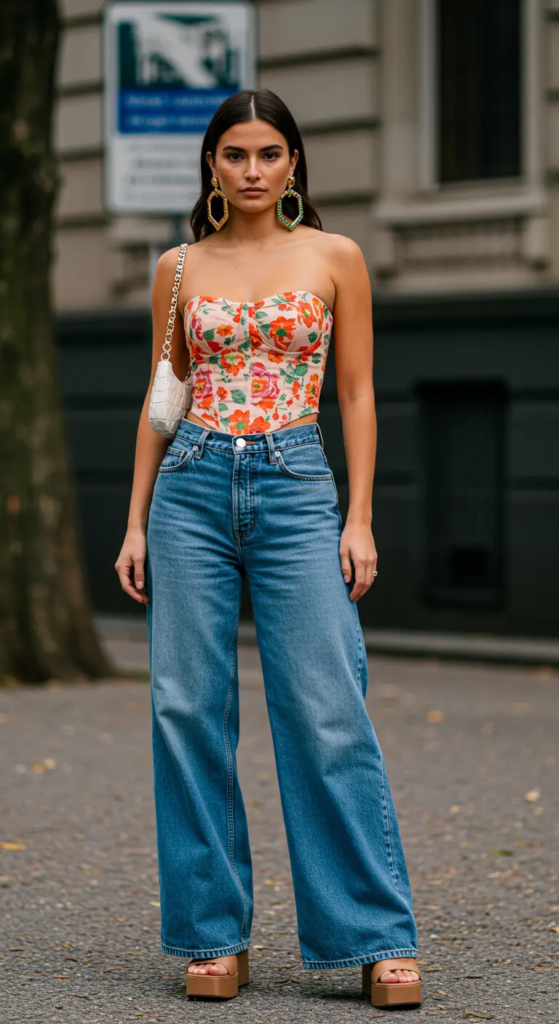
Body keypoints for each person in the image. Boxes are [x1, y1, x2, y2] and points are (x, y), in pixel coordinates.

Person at [115, 89, 421, 1009]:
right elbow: (163, 398)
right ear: (210, 165)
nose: (252, 170)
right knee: (185, 711)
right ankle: (215, 935)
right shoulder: (178, 268)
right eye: (235, 154)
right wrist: (135, 521)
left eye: (269, 153)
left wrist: (357, 517)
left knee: (327, 710)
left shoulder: (335, 257)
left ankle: (373, 936)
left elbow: (356, 395)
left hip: (295, 485)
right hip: (192, 487)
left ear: (294, 164)